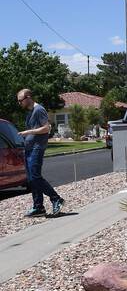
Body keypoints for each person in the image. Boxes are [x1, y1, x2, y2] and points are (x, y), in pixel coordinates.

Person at [17, 88, 64, 219]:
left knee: (36, 177)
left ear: (28, 97)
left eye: (20, 100)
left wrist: (28, 132)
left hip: (37, 148)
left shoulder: (39, 110)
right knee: (32, 179)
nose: (19, 103)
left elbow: (46, 128)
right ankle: (38, 207)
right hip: (29, 148)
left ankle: (56, 199)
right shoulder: (30, 112)